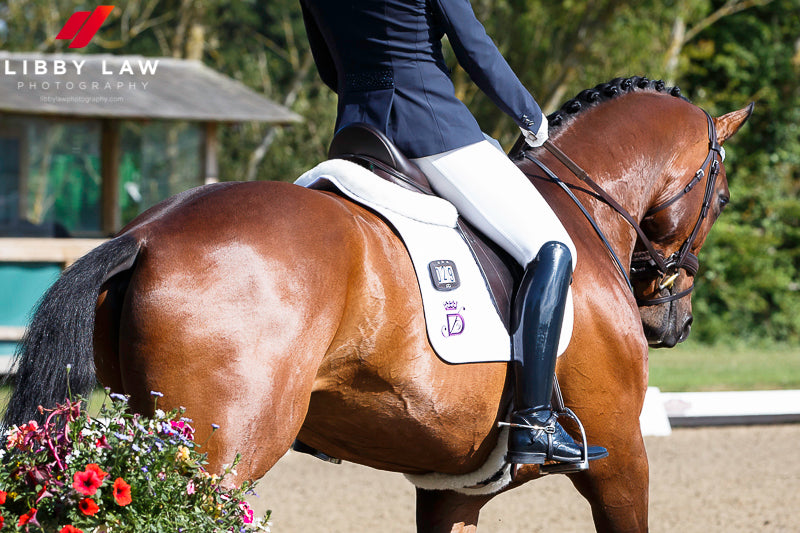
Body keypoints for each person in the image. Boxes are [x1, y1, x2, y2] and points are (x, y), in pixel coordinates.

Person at [300, 0, 607, 468]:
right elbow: (473, 46)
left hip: (356, 131)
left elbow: (329, 66)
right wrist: (531, 117)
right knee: (552, 248)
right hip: (430, 127)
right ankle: (535, 421)